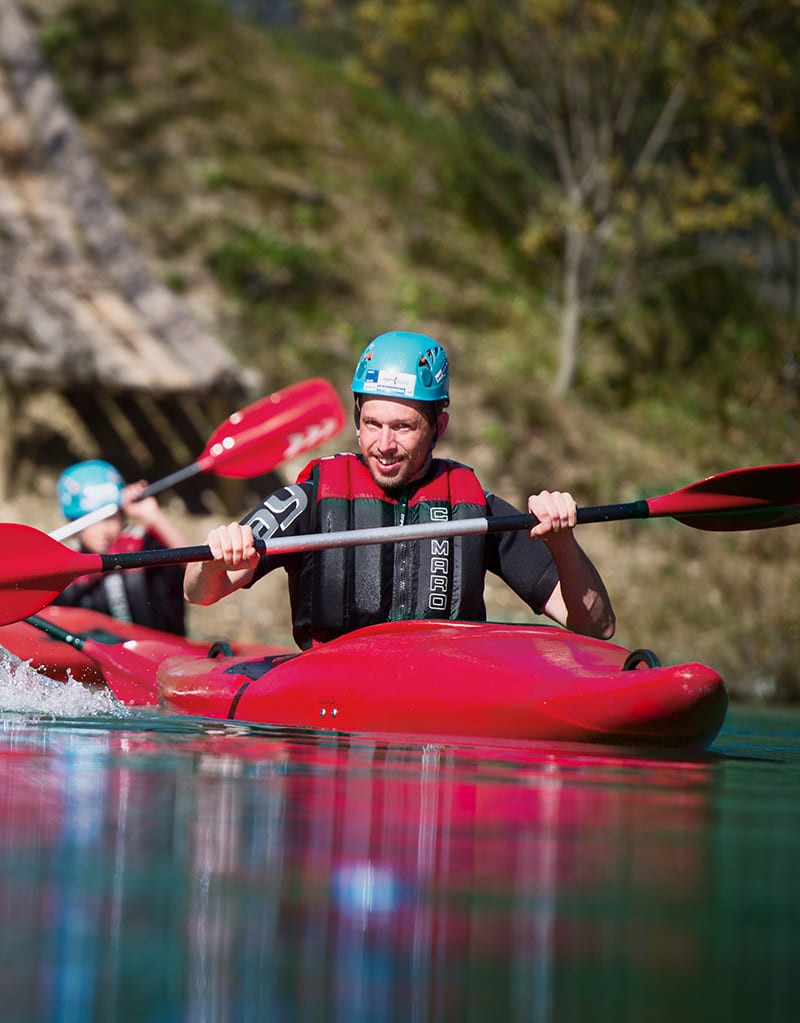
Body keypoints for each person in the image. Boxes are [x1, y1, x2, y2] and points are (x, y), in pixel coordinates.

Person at [184, 331, 615, 648]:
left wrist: (563, 543)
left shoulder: (474, 508)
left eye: (403, 427)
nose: (384, 445)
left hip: (439, 697)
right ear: (357, 420)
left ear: (438, 427)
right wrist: (216, 560)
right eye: (372, 424)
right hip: (333, 694)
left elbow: (596, 627)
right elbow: (201, 593)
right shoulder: (312, 499)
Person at [53, 459, 189, 635]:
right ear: (74, 524)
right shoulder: (65, 570)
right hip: (99, 658)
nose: (104, 530)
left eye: (110, 519)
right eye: (92, 520)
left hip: (165, 656)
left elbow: (196, 567)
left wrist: (153, 515)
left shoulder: (144, 548)